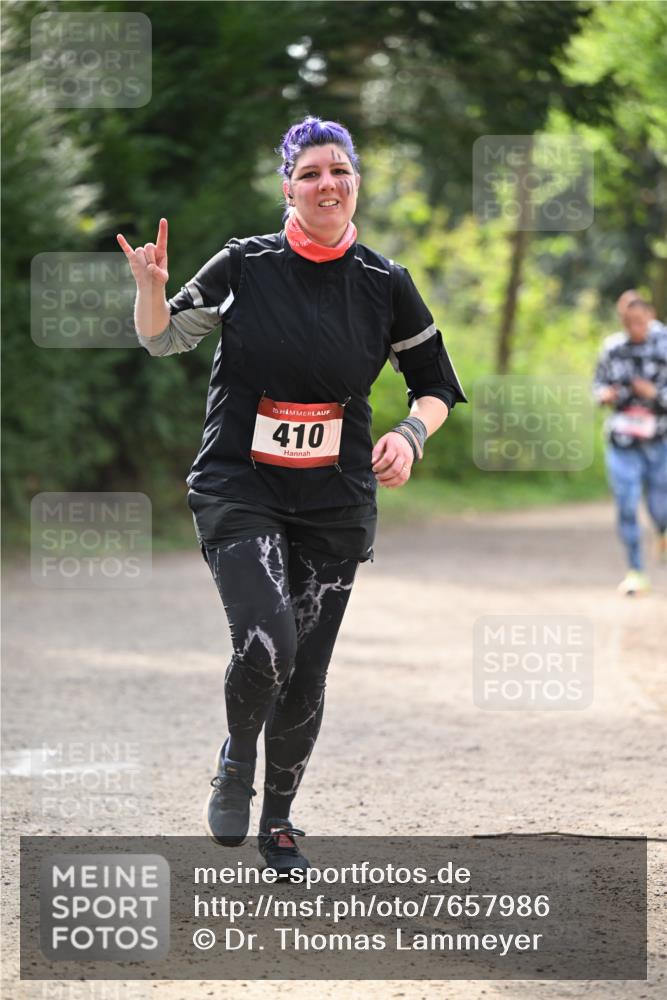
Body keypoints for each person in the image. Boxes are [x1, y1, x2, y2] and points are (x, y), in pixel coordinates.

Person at [117, 115, 467, 876]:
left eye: (338, 171)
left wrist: (409, 434)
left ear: (356, 183)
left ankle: (279, 825)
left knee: (306, 670)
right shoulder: (245, 265)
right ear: (288, 187)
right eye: (310, 174)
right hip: (239, 484)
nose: (326, 184)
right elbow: (161, 337)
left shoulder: (385, 282)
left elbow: (437, 385)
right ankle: (236, 759)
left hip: (335, 496)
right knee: (267, 637)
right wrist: (150, 291)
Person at [593, 294, 667, 595]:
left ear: (650, 316)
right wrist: (604, 395)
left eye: (639, 321)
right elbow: (597, 386)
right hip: (622, 440)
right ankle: (636, 570)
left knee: (660, 506)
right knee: (626, 503)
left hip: (660, 439)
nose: (634, 328)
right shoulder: (613, 348)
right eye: (627, 322)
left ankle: (662, 533)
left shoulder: (664, 346)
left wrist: (654, 393)